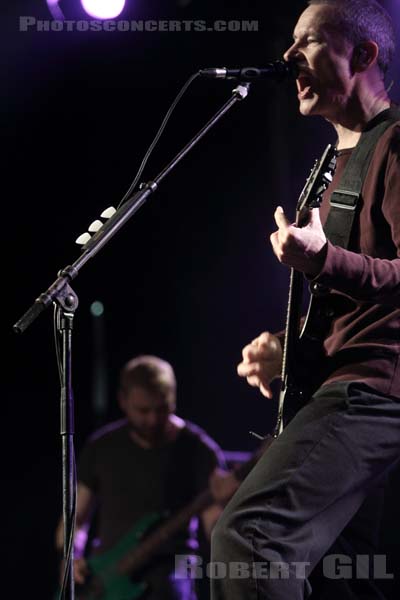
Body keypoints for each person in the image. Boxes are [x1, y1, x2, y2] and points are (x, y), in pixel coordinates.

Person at [210, 1, 400, 598]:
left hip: (374, 389)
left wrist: (324, 260)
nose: (289, 56)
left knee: (248, 543)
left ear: (364, 55)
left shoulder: (395, 146)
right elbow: (350, 301)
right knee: (344, 578)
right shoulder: (329, 168)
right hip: (342, 381)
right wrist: (291, 356)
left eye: (310, 42)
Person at [55, 354, 224, 600]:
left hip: (172, 572)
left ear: (174, 398)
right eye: (143, 410)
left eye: (162, 408)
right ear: (123, 401)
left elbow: (216, 527)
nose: (153, 419)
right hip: (106, 579)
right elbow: (75, 519)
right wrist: (71, 558)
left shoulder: (199, 449)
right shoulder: (102, 447)